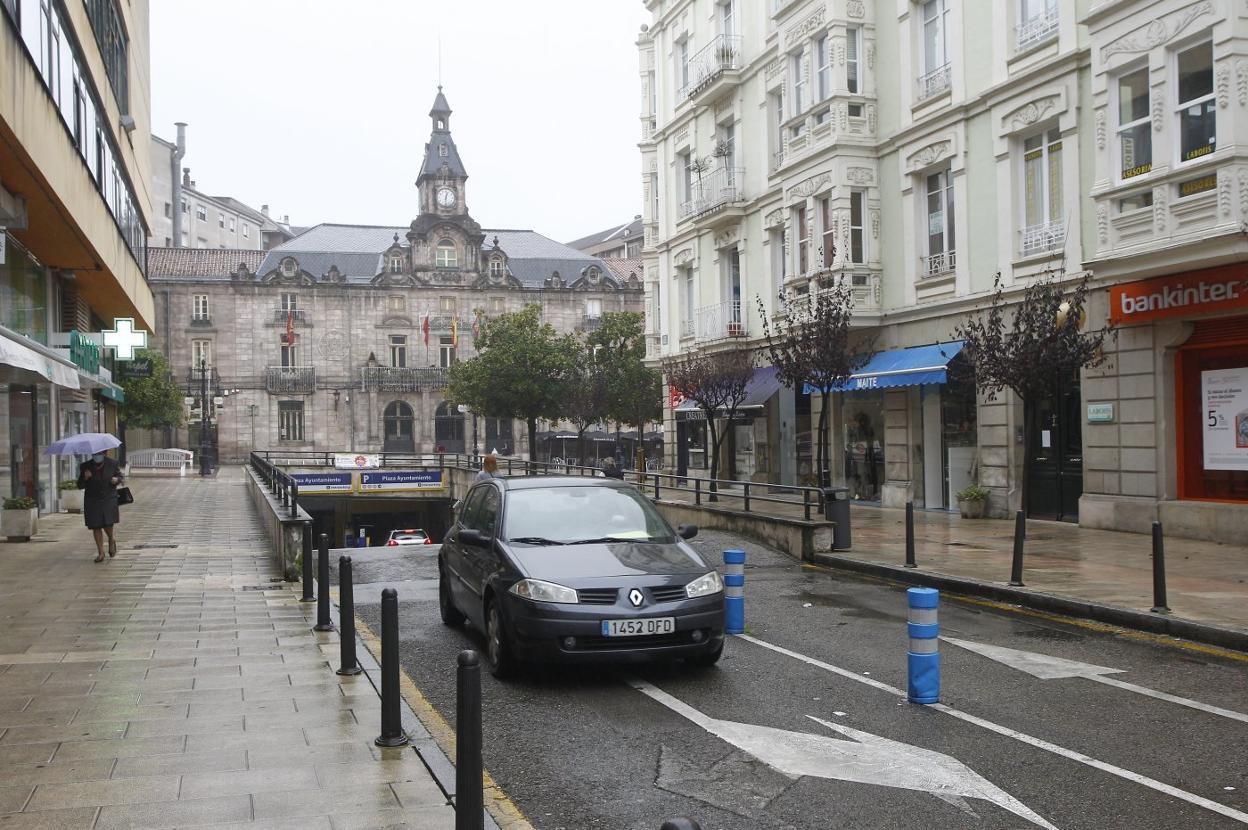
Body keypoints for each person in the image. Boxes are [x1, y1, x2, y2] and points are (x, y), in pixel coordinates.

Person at [77, 451, 123, 563]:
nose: (97, 456)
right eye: (95, 454)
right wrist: (85, 478)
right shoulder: (85, 466)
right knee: (96, 525)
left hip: (108, 498)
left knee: (107, 523)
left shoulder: (112, 463)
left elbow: (120, 476)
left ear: (104, 453)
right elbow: (80, 485)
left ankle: (111, 540)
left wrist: (116, 480)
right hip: (92, 499)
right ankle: (101, 552)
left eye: (99, 453)